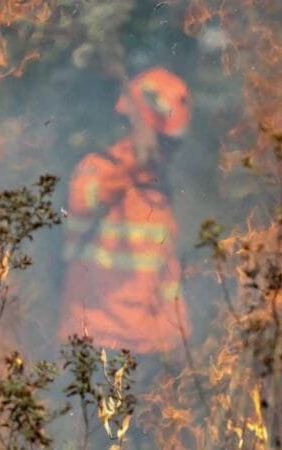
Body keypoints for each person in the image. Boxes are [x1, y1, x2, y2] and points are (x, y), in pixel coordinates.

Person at [59, 65, 191, 359]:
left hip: (147, 350)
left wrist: (176, 341)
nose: (168, 152)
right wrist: (134, 164)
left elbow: (167, 278)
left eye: (173, 144)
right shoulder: (96, 169)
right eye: (163, 141)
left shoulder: (158, 192)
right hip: (95, 345)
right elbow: (83, 202)